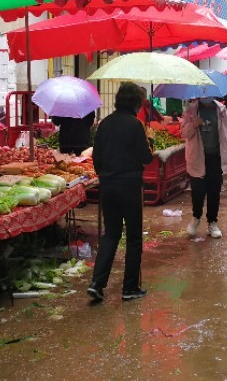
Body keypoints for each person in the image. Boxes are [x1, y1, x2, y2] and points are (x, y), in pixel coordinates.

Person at [87, 83, 154, 302]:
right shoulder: (136, 125)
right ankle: (129, 288)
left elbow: (96, 158)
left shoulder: (104, 123)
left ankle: (97, 283)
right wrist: (150, 141)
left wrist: (106, 176)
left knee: (111, 234)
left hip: (108, 186)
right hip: (130, 186)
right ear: (135, 103)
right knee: (134, 237)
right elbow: (146, 157)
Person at [181, 96, 227, 239]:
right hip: (197, 157)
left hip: (216, 157)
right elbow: (183, 133)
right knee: (198, 191)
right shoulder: (191, 110)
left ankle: (212, 222)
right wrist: (193, 124)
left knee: (214, 191)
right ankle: (196, 218)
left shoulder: (221, 109)